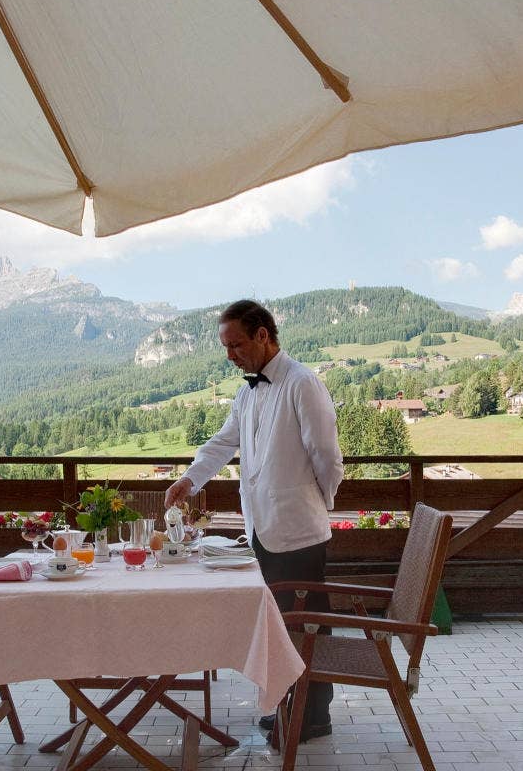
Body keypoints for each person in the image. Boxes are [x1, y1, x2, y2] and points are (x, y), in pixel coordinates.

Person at [164, 299, 343, 741]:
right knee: (280, 626)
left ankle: (312, 715)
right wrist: (190, 479)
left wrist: (317, 503)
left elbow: (327, 457)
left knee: (305, 625)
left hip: (299, 530)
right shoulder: (247, 392)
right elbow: (223, 442)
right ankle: (288, 702)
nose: (230, 355)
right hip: (262, 528)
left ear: (263, 335)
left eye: (236, 344)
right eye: (226, 346)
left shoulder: (302, 383)